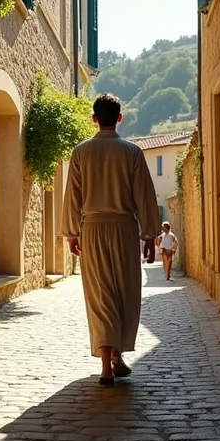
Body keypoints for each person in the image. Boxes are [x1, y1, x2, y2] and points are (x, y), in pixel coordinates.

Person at [64, 94, 162, 385]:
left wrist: (72, 233)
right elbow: (145, 195)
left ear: (94, 118)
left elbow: (73, 196)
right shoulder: (132, 152)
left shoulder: (81, 153)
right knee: (125, 292)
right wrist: (149, 234)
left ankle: (107, 364)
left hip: (92, 229)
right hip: (124, 229)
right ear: (120, 117)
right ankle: (117, 357)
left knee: (100, 295)